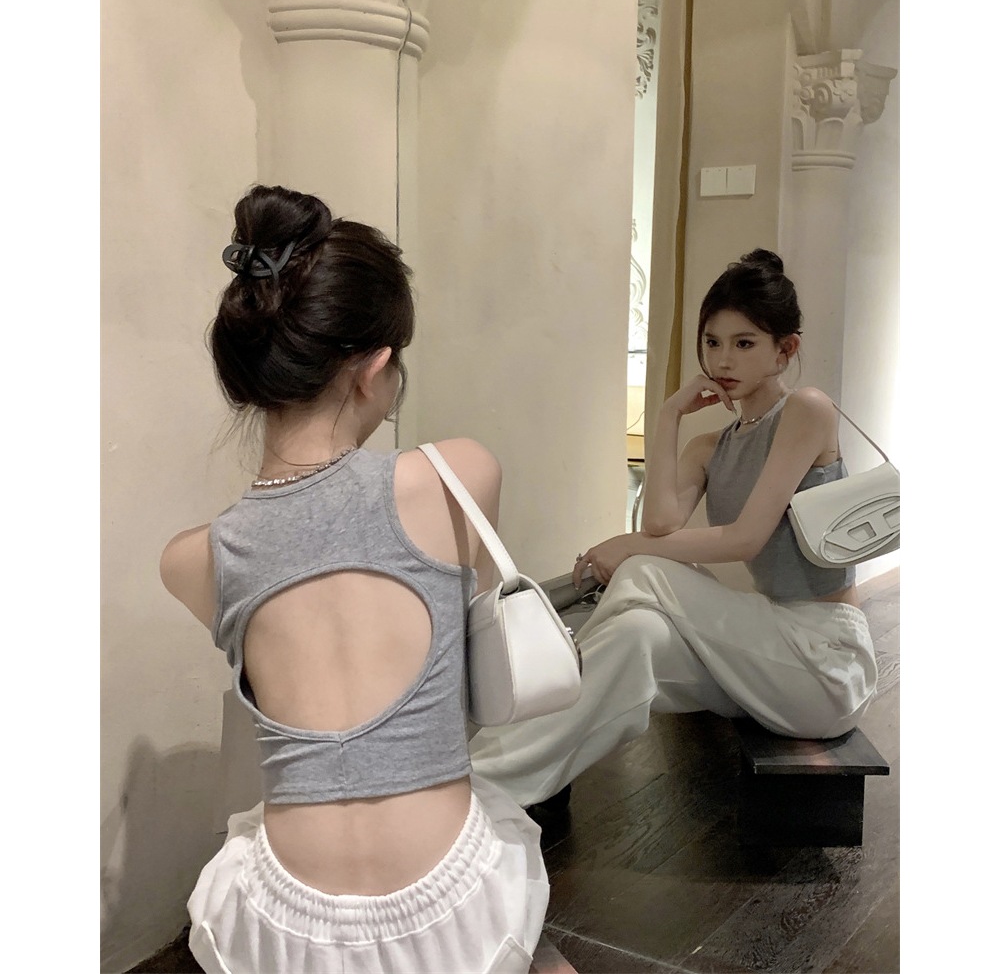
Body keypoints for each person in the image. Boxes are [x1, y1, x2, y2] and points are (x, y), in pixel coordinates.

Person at [160, 184, 548, 974]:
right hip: (455, 904)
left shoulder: (193, 557)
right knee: (495, 818)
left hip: (287, 926)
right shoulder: (457, 474)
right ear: (373, 368)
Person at [469, 249, 878, 810]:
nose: (723, 359)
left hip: (826, 664)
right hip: (768, 657)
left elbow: (745, 539)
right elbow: (661, 523)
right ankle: (482, 780)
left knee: (642, 567)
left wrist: (627, 546)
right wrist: (668, 415)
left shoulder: (808, 410)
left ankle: (554, 652)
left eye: (744, 343)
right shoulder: (711, 447)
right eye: (712, 342)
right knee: (636, 635)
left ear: (785, 350)